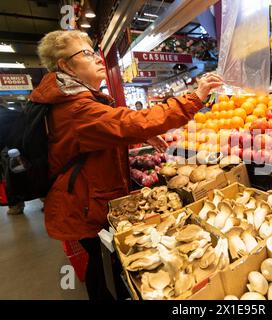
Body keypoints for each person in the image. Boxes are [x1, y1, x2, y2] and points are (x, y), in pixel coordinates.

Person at [32, 30, 222, 300]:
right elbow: (125, 122)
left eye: (94, 51)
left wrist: (142, 133)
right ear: (65, 66)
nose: (98, 59)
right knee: (102, 269)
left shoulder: (76, 100)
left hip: (86, 198)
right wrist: (195, 97)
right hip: (84, 205)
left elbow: (112, 126)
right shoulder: (75, 107)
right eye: (86, 53)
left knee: (104, 264)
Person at [0, 102, 25, 215]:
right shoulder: (16, 113)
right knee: (30, 174)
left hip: (6, 151)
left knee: (10, 179)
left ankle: (16, 205)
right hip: (23, 148)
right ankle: (44, 199)